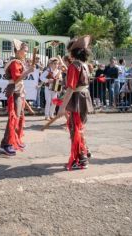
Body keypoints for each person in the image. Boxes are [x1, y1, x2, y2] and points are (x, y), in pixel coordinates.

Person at [57, 35, 94, 170]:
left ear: (73, 51)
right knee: (79, 128)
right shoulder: (84, 65)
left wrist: (62, 107)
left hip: (77, 98)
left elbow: (71, 88)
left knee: (75, 129)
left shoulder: (74, 66)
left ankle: (81, 159)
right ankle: (85, 151)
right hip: (84, 97)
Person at [0, 39, 35, 156]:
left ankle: (14, 140)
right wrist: (28, 71)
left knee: (18, 118)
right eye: (25, 51)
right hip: (14, 91)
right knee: (13, 118)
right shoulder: (15, 62)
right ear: (18, 51)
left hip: (18, 91)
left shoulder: (18, 62)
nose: (26, 53)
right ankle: (6, 144)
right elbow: (16, 79)